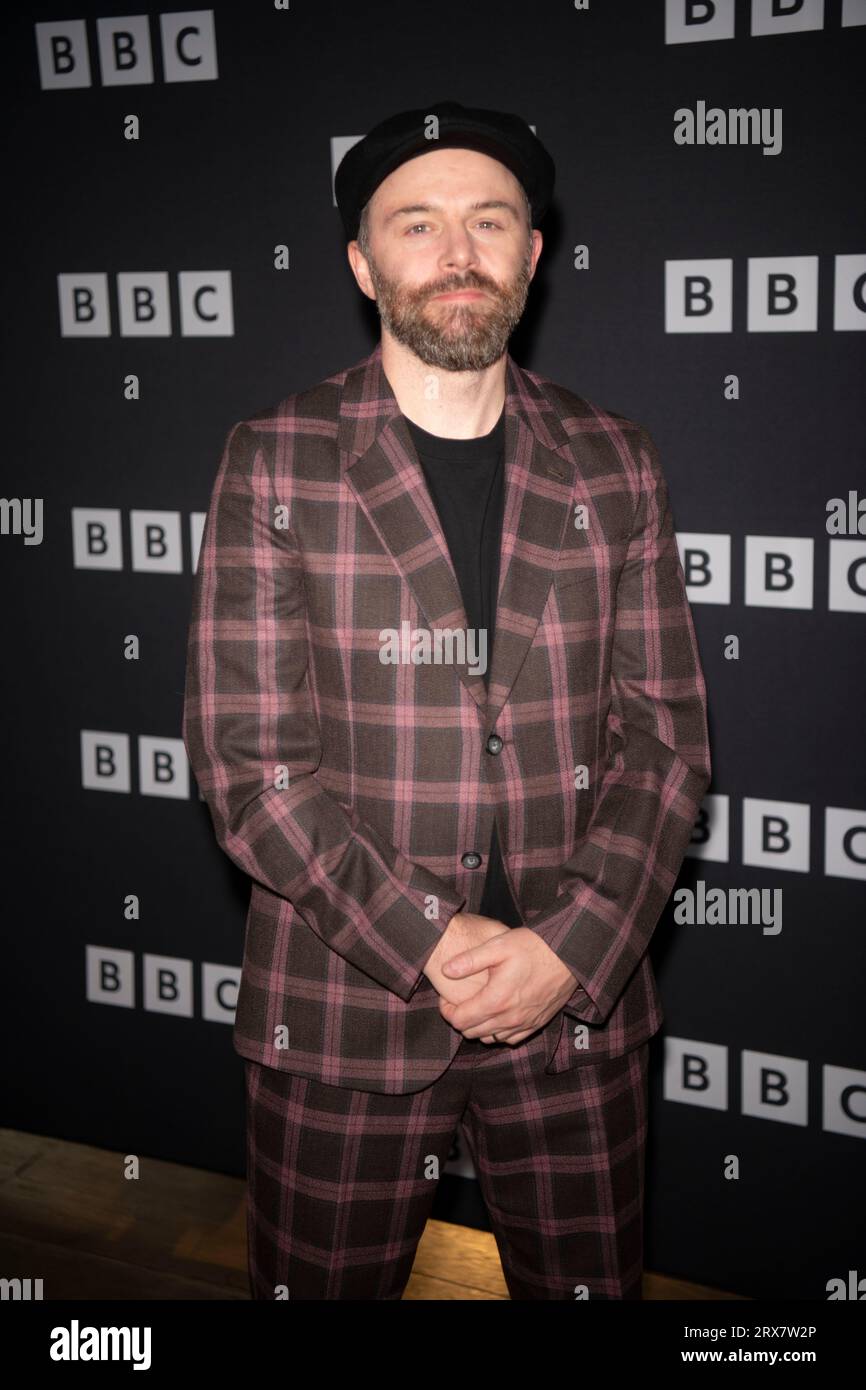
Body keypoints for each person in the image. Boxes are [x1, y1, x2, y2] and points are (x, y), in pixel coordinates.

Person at [181, 100, 712, 1301]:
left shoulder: (615, 458)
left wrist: (564, 950)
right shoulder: (273, 457)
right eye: (415, 224)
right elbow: (249, 766)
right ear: (363, 264)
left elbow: (665, 744)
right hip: (341, 1013)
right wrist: (428, 938)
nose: (456, 250)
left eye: (489, 220)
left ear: (533, 251)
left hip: (574, 1018)